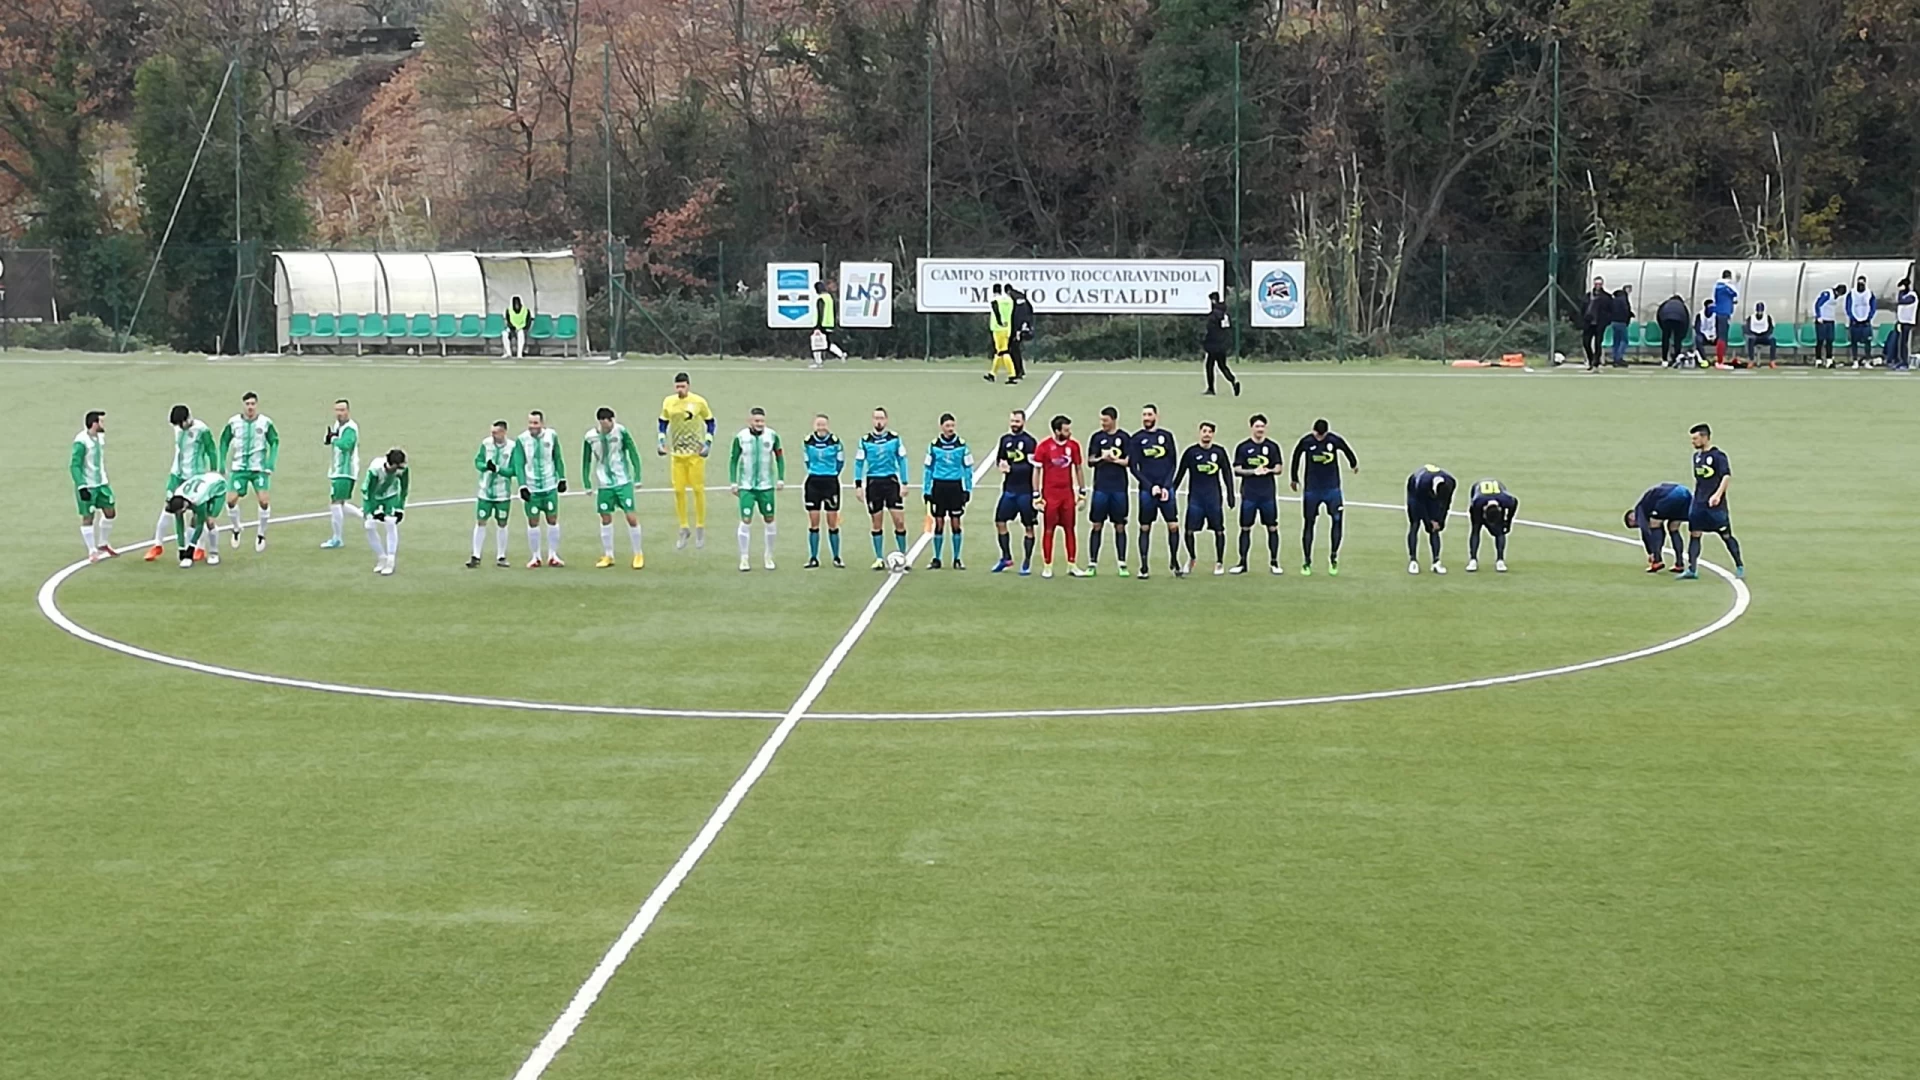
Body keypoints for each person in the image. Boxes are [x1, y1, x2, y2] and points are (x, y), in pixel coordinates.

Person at [146, 404, 219, 562]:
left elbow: (211, 450)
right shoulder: (177, 428)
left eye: (181, 423)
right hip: (177, 476)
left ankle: (199, 548)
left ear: (188, 418)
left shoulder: (202, 430)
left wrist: (213, 471)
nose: (179, 427)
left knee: (199, 514)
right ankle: (157, 545)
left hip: (195, 477)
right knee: (169, 508)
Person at [1290, 417, 1357, 575]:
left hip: (1332, 488)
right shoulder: (1306, 441)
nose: (1319, 438)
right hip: (1312, 489)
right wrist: (1294, 478)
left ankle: (1333, 557)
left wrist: (1353, 463)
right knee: (1309, 523)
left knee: (1337, 520)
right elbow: (1296, 456)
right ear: (1313, 431)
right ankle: (1307, 561)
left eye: (1322, 436)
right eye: (1317, 436)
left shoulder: (1334, 440)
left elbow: (1347, 450)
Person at [657, 372, 715, 548]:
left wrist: (708, 443)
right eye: (677, 386)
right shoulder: (669, 402)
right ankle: (683, 527)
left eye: (683, 386)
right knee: (678, 491)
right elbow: (662, 422)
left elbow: (711, 422)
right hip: (677, 454)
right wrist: (661, 441)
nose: (680, 389)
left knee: (698, 490)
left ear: (688, 386)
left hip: (695, 455)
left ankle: (700, 527)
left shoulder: (698, 402)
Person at [584, 407, 645, 570]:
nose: (607, 427)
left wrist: (637, 476)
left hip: (623, 482)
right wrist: (587, 482)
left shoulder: (621, 432)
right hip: (604, 485)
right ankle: (608, 555)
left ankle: (638, 553)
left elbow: (633, 452)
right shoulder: (590, 437)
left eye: (609, 423)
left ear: (612, 420)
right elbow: (586, 460)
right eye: (603, 424)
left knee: (631, 517)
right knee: (605, 518)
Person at [219, 391, 278, 552]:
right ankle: (237, 528)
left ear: (256, 405)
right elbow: (224, 441)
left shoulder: (265, 422)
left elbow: (274, 441)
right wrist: (221, 463)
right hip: (239, 469)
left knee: (264, 501)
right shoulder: (233, 422)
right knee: (231, 501)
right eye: (247, 404)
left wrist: (271, 463)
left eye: (253, 404)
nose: (250, 407)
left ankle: (261, 534)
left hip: (259, 469)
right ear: (243, 405)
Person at [1127, 404, 1181, 578]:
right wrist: (1150, 487)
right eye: (1144, 415)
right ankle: (1144, 566)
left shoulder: (1166, 436)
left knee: (1173, 526)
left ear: (1156, 416)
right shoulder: (1136, 439)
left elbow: (1173, 463)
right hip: (1147, 491)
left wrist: (1166, 486)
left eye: (1149, 414)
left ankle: (1174, 561)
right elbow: (1133, 467)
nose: (1146, 418)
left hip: (1166, 490)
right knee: (1145, 527)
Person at [1174, 422, 1234, 575]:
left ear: (1213, 434)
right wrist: (1172, 491)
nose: (1207, 434)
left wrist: (1231, 494)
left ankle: (1219, 562)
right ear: (1199, 433)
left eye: (1210, 432)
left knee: (1219, 531)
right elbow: (1181, 472)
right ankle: (1192, 558)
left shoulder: (1219, 452)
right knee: (1189, 530)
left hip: (1213, 498)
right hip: (1195, 498)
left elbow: (1227, 473)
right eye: (1204, 431)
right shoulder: (1191, 452)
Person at [1684, 423, 1743, 579]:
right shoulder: (1696, 456)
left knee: (1726, 535)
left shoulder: (1718, 456)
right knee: (1694, 534)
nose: (1693, 442)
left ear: (1705, 437)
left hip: (1716, 505)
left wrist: (1717, 495)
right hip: (1698, 503)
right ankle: (1692, 569)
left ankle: (1739, 565)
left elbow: (1726, 476)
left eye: (1695, 438)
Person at [854, 407, 911, 569]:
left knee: (899, 521)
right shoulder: (865, 440)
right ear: (872, 420)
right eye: (876, 418)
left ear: (886, 420)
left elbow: (902, 460)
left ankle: (903, 556)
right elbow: (859, 463)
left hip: (891, 482)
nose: (879, 421)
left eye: (881, 418)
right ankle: (879, 558)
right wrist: (858, 485)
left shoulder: (894, 439)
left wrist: (904, 482)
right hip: (873, 483)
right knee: (876, 522)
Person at [729, 407, 784, 571]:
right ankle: (744, 557)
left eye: (762, 421)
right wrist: (733, 482)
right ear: (750, 421)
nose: (759, 424)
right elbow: (733, 459)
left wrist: (780, 478)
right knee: (745, 520)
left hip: (766, 486)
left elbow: (780, 458)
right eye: (756, 421)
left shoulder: (772, 436)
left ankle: (769, 555)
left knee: (769, 519)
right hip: (746, 487)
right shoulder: (741, 437)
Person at [1031, 414, 1086, 578]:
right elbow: (1037, 471)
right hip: (1050, 494)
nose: (1069, 432)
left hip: (1067, 494)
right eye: (1066, 430)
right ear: (1057, 431)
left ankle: (1072, 564)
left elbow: (1078, 468)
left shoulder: (1074, 446)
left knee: (1070, 529)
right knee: (1049, 530)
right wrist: (1036, 495)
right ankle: (1047, 565)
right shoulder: (1044, 447)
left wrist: (1082, 492)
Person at [1231, 414, 1285, 575]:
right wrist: (1253, 472)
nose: (1260, 429)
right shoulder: (1243, 447)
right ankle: (1242, 563)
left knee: (1272, 528)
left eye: (1262, 426)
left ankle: (1274, 562)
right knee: (1245, 528)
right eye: (1257, 426)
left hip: (1267, 495)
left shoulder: (1273, 447)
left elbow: (1279, 468)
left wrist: (1269, 470)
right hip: (1249, 495)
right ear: (1251, 427)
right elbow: (1236, 469)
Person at [513, 410, 567, 568]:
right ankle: (535, 556)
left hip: (550, 486)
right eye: (530, 423)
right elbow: (519, 464)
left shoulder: (552, 436)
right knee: (533, 521)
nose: (532, 426)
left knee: (552, 519)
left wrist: (561, 478)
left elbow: (557, 457)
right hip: (532, 488)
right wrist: (522, 485)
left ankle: (553, 555)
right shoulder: (522, 440)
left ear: (542, 423)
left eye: (535, 423)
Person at [1084, 406, 1131, 576]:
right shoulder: (1097, 438)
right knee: (1097, 525)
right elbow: (1090, 460)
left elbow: (1129, 461)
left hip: (1119, 489)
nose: (1102, 423)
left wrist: (1115, 459)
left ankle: (1122, 563)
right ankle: (1092, 563)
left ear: (1113, 419)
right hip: (1100, 488)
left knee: (1120, 526)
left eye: (1105, 420)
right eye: (1101, 420)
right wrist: (1101, 458)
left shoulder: (1124, 437)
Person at [922, 413, 973, 569]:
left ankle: (957, 559)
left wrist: (967, 489)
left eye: (952, 426)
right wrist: (927, 489)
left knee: (956, 524)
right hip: (939, 487)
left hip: (955, 487)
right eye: (947, 426)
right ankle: (937, 558)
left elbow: (968, 468)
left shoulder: (962, 445)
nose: (950, 429)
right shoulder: (934, 445)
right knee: (938, 523)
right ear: (941, 427)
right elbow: (928, 469)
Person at [991, 409, 1039, 574]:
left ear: (1023, 422)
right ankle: (1006, 557)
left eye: (1017, 421)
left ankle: (1026, 562)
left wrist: (1012, 469)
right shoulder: (1005, 440)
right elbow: (1000, 459)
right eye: (1012, 421)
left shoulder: (1030, 442)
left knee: (1029, 527)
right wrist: (1001, 466)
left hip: (1025, 492)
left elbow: (1032, 467)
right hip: (1009, 490)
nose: (1014, 424)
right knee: (999, 521)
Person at [468, 420, 517, 569]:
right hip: (485, 492)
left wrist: (497, 470)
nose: (493, 435)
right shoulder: (486, 444)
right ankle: (476, 555)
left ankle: (501, 556)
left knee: (502, 524)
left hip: (503, 494)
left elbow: (514, 470)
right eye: (492, 432)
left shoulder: (513, 447)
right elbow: (478, 461)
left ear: (504, 432)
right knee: (481, 521)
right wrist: (485, 467)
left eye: (496, 432)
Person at [71, 410, 117, 562]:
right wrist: (81, 486)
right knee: (88, 517)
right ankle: (92, 550)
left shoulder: (100, 438)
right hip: (88, 485)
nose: (104, 425)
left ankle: (103, 543)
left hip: (102, 483)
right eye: (101, 422)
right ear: (94, 424)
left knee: (110, 511)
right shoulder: (81, 441)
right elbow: (75, 465)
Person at [801, 414, 845, 568]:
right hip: (813, 483)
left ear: (827, 425)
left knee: (832, 522)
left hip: (831, 483)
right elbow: (807, 461)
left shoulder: (835, 442)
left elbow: (840, 462)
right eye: (818, 424)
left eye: (823, 424)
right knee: (814, 522)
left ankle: (836, 557)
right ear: (815, 426)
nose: (821, 427)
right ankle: (813, 557)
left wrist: (831, 473)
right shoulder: (808, 441)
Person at [164, 471, 229, 568]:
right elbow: (179, 525)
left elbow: (200, 524)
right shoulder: (177, 496)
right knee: (192, 522)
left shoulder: (198, 500)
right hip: (202, 484)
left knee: (209, 521)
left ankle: (213, 553)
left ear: (184, 508)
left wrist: (191, 547)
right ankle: (188, 556)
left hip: (218, 488)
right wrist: (181, 548)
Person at [1624, 481, 1691, 574]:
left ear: (1631, 518)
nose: (1638, 525)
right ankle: (1679, 564)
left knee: (1655, 523)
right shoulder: (1649, 503)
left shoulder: (1639, 509)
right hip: (1685, 493)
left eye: (1635, 525)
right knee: (1673, 527)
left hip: (1671, 495)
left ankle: (1657, 561)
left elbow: (1645, 531)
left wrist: (1651, 552)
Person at [360, 448, 408, 576]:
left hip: (390, 496)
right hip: (373, 497)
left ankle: (391, 560)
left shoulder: (402, 470)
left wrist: (400, 508)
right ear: (390, 464)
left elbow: (404, 489)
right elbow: (368, 492)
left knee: (390, 523)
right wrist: (373, 511)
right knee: (369, 526)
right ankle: (381, 557)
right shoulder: (375, 470)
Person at [320, 399, 359, 551]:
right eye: (337, 410)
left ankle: (337, 538)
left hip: (345, 471)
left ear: (348, 411)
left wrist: (334, 439)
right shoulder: (338, 426)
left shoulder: (350, 428)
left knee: (335, 503)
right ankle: (365, 516)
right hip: (337, 470)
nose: (340, 413)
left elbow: (346, 445)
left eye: (342, 410)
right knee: (340, 503)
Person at [1405, 465, 1457, 575]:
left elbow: (1447, 504)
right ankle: (1413, 560)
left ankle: (1436, 561)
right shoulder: (1422, 484)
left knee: (1435, 529)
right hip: (1415, 493)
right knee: (1415, 524)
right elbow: (1421, 505)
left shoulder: (1451, 482)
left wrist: (1441, 520)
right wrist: (1429, 522)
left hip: (1428, 494)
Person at [1466, 478, 1517, 573]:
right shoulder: (1477, 502)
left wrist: (1508, 522)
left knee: (1500, 532)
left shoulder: (1507, 501)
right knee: (1475, 529)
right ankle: (1473, 559)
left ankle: (1500, 560)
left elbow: (1515, 503)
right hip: (1478, 492)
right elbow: (1472, 512)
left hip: (1497, 494)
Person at [1202, 291, 1240, 396]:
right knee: (1223, 366)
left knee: (1209, 366)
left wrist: (1206, 343)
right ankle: (1233, 380)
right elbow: (1227, 329)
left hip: (1214, 345)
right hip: (1222, 345)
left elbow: (1210, 330)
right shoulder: (1225, 315)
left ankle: (1211, 388)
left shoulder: (1213, 315)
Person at [810, 280, 848, 367]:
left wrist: (817, 327)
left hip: (822, 324)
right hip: (830, 323)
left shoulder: (821, 299)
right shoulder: (829, 298)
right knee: (827, 343)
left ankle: (818, 362)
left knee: (816, 343)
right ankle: (841, 354)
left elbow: (820, 313)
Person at [984, 283, 1015, 382]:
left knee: (1003, 351)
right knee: (1000, 352)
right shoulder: (1009, 301)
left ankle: (1012, 374)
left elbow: (996, 310)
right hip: (1007, 328)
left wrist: (999, 321)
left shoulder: (995, 300)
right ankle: (992, 373)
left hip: (998, 328)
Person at [1845, 275, 1877, 367]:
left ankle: (1867, 360)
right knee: (1854, 342)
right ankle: (1855, 360)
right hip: (1855, 322)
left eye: (1862, 283)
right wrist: (1852, 317)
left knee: (1867, 342)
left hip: (1865, 322)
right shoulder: (1851, 294)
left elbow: (1873, 306)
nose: (1860, 285)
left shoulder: (1869, 294)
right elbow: (1848, 307)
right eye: (1859, 283)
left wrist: (1869, 317)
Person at [1810, 281, 1843, 367]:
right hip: (1822, 320)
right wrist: (1818, 316)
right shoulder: (1828, 294)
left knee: (1830, 340)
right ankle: (1818, 360)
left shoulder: (1836, 297)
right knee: (1820, 340)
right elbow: (1818, 304)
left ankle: (1829, 359)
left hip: (1830, 320)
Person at [1581, 278, 1610, 370]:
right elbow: (1582, 309)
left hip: (1600, 324)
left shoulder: (1606, 297)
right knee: (1586, 342)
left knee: (1598, 343)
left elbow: (1610, 311)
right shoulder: (1588, 296)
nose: (1598, 286)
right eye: (1596, 284)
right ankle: (1590, 359)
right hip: (1588, 323)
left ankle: (1596, 361)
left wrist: (1606, 321)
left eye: (1599, 284)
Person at [1007, 285, 1033, 384]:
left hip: (1016, 328)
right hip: (1022, 326)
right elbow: (1030, 309)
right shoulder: (1021, 296)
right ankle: (1019, 370)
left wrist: (1017, 330)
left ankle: (1018, 372)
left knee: (1014, 350)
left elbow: (1018, 315)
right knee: (1015, 350)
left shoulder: (1015, 299)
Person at [1655, 293, 1690, 367]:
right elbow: (1686, 319)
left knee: (1665, 339)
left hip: (1666, 319)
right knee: (1677, 340)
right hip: (1679, 320)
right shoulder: (1682, 305)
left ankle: (1664, 359)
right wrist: (1683, 334)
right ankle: (1677, 358)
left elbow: (1659, 314)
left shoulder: (1666, 303)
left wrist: (1662, 327)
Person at [1713, 270, 1739, 365]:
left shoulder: (1718, 286)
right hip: (1724, 313)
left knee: (1721, 336)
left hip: (1720, 313)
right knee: (1723, 337)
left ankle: (1721, 358)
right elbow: (1735, 294)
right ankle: (1720, 360)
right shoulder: (1726, 286)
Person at [1895, 277, 1917, 372]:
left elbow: (1902, 301)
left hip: (1908, 322)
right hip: (1901, 321)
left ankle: (1905, 362)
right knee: (1900, 342)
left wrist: (1901, 294)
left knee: (1904, 342)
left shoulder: (1912, 295)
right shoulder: (1903, 295)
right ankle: (1901, 360)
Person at [1610, 284, 1634, 366]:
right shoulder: (1624, 299)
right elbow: (1625, 310)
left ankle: (1615, 357)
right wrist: (1629, 316)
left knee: (1616, 341)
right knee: (1624, 340)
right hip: (1622, 321)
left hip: (1614, 321)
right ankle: (1619, 358)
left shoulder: (1615, 299)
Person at [1693, 300, 1717, 366]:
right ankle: (1704, 359)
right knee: (1698, 339)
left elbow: (1718, 327)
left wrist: (1714, 336)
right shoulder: (1700, 315)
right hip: (1703, 335)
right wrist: (1707, 336)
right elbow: (1698, 329)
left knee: (1722, 339)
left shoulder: (1716, 315)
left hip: (1714, 335)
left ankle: (1720, 359)